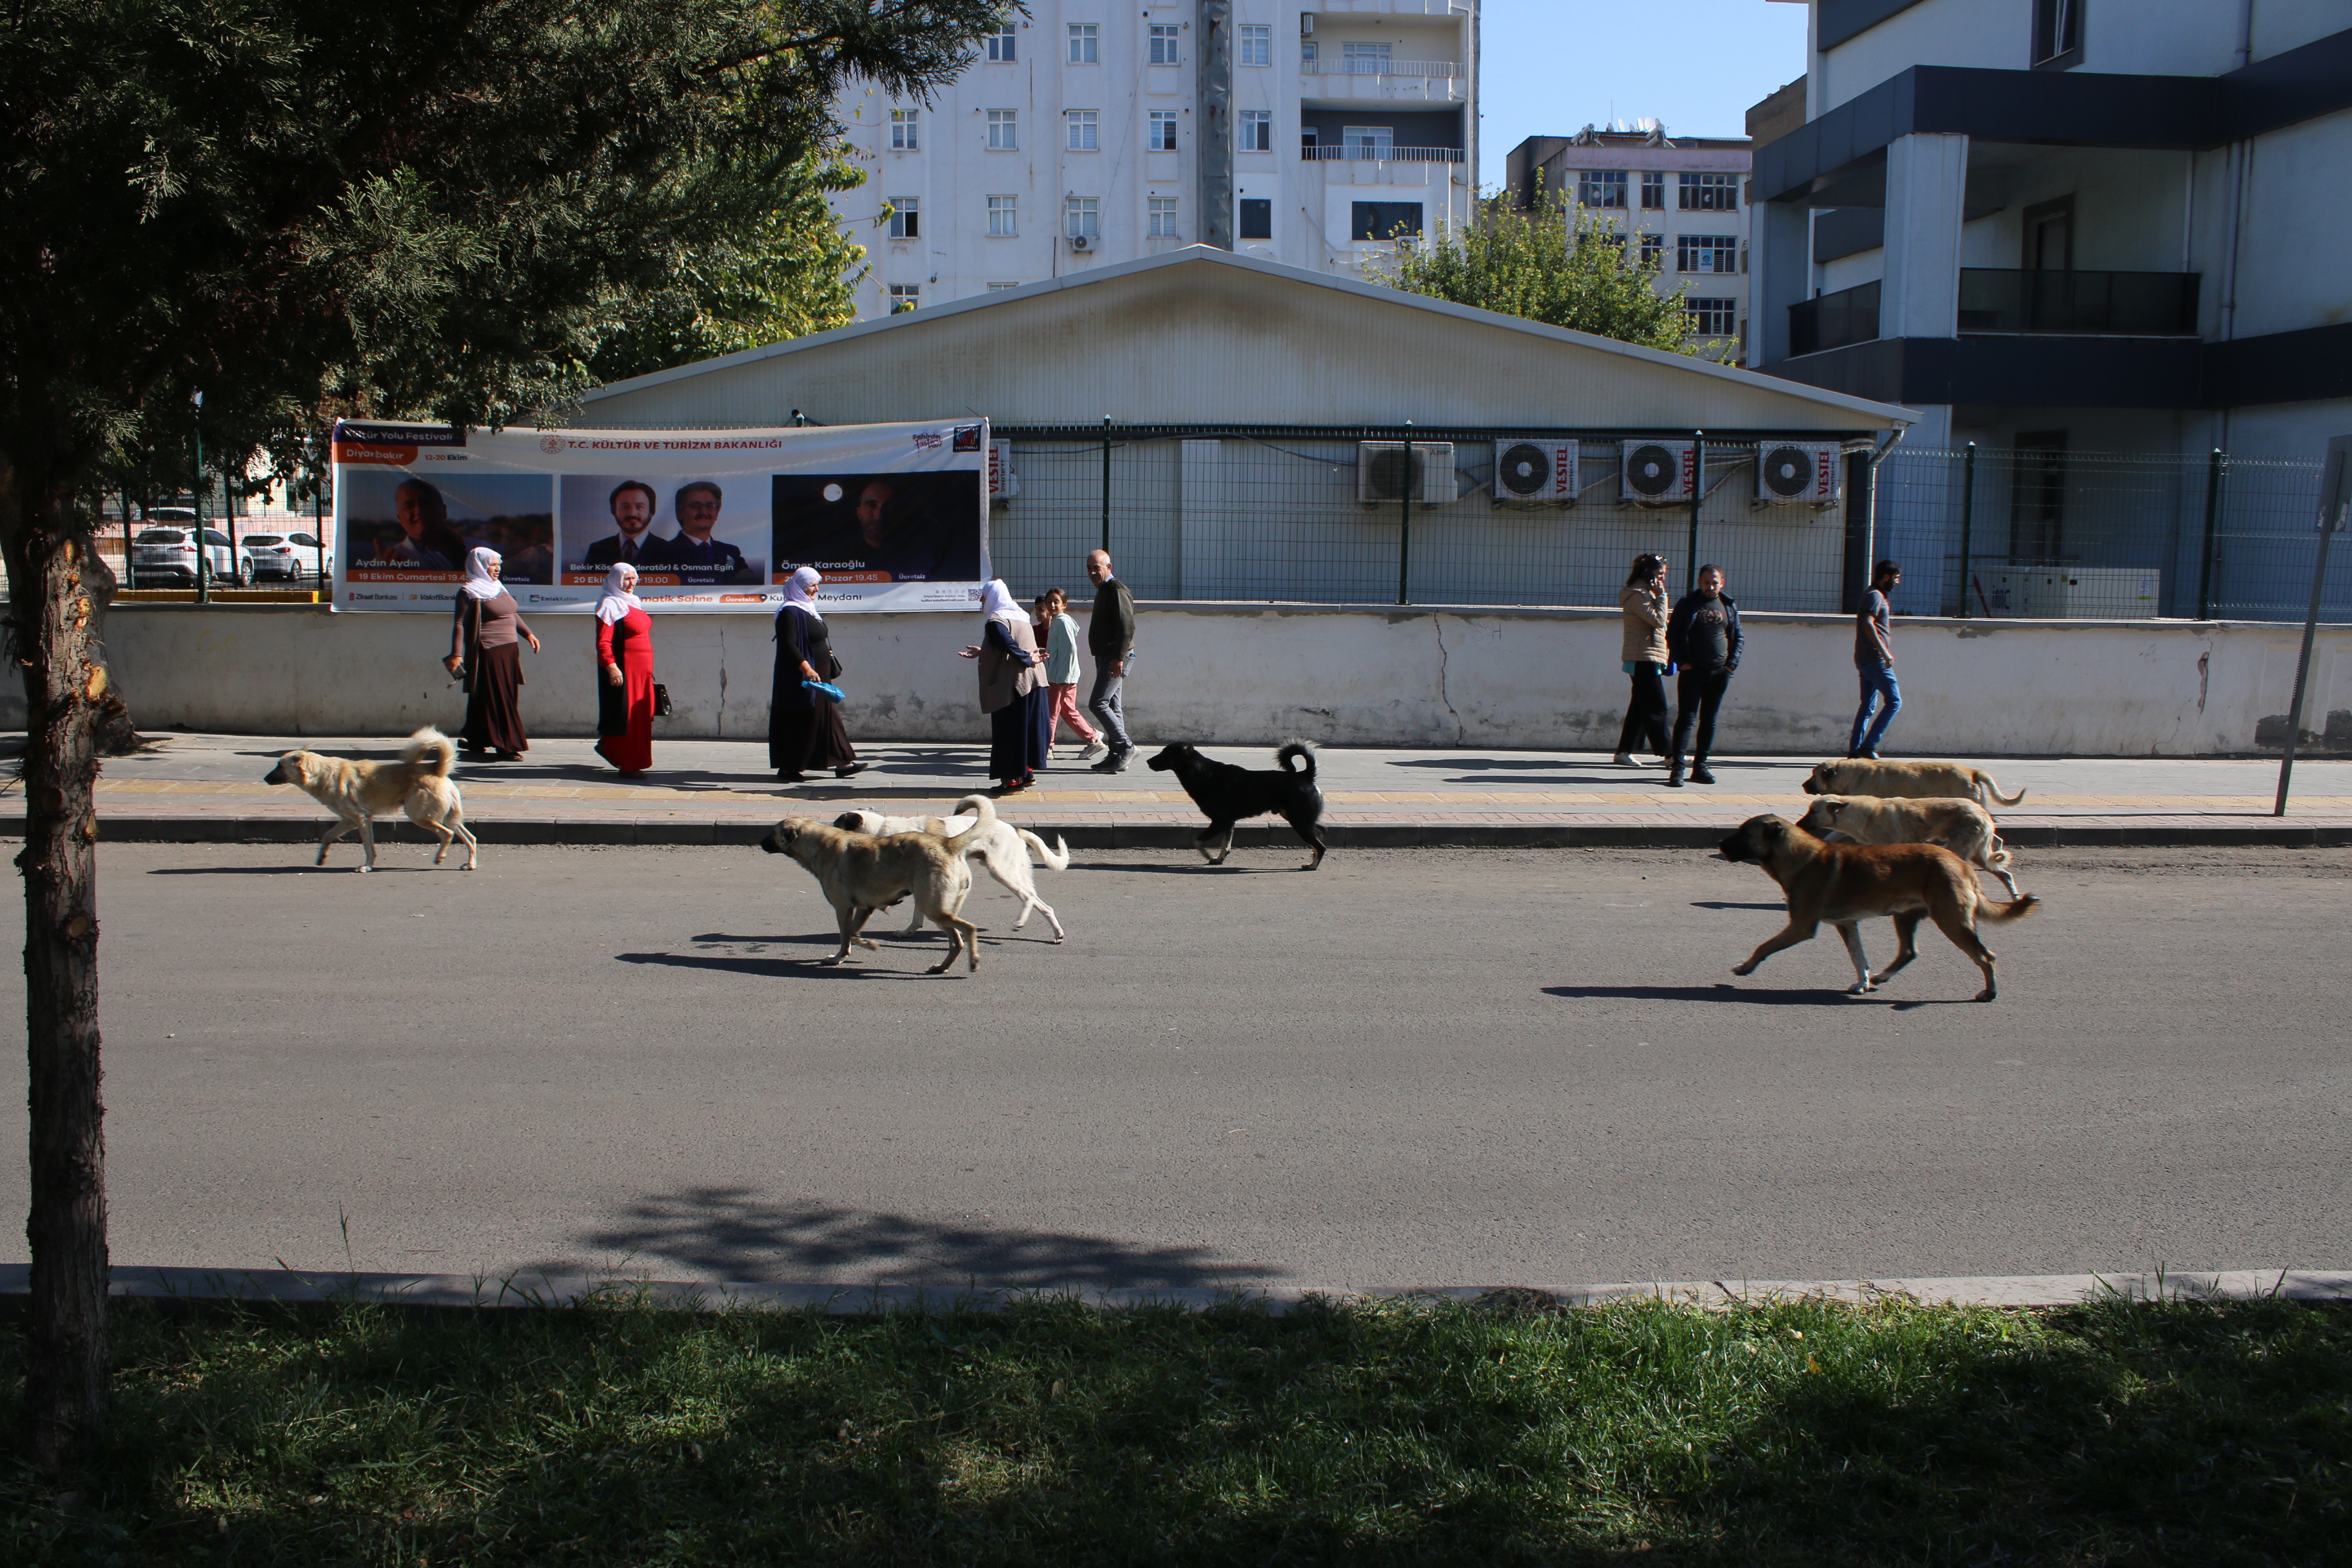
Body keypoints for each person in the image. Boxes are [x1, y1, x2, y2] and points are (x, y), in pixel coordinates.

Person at [769, 565, 865, 783]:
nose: (816, 589)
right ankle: (789, 768)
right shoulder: (789, 612)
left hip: (819, 673)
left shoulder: (808, 608)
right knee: (805, 719)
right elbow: (788, 645)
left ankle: (844, 763)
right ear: (801, 587)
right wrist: (807, 668)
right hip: (803, 677)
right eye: (813, 585)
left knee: (827, 716)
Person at [444, 545, 541, 760]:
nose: (497, 569)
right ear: (479, 565)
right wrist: (456, 654)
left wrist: (528, 634)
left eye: (499, 565)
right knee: (500, 696)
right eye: (492, 565)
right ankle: (507, 745)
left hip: (509, 649)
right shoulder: (469, 592)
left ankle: (476, 738)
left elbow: (511, 613)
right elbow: (460, 623)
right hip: (489, 650)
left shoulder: (497, 587)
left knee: (490, 696)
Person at [959, 578, 1048, 794]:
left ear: (993, 597)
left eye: (984, 596)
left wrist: (1026, 659)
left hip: (1012, 687)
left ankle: (1012, 781)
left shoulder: (996, 620)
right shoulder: (1021, 616)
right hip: (1034, 683)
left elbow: (1007, 642)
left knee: (1009, 731)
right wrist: (983, 651)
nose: (982, 600)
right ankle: (1026, 774)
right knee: (1025, 730)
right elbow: (1007, 644)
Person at [1664, 564, 1742, 788]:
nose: (1711, 586)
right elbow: (1674, 634)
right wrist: (1683, 663)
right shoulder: (1688, 604)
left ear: (1722, 583)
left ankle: (1701, 767)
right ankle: (1678, 767)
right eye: (1707, 582)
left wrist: (1731, 665)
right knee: (1686, 719)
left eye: (1715, 582)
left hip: (1719, 673)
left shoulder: (1728, 605)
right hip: (1693, 672)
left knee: (1710, 720)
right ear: (1699, 582)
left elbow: (1738, 637)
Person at [592, 562, 655, 778]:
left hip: (643, 672)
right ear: (615, 580)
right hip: (626, 671)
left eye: (633, 578)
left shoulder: (633, 603)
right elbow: (603, 642)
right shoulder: (610, 604)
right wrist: (611, 667)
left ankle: (608, 745)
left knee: (641, 716)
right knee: (628, 718)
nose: (630, 583)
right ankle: (628, 763)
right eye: (625, 579)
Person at [1614, 552, 1671, 767]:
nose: (1663, 578)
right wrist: (1662, 596)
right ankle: (1670, 753)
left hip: (1648, 656)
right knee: (1658, 706)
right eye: (1660, 574)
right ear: (1648, 573)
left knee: (1639, 707)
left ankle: (1624, 751)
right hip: (1642, 657)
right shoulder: (1637, 595)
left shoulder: (1646, 593)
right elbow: (1658, 620)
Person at [1037, 587, 1105, 761]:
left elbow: (1070, 649)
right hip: (1063, 675)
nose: (1052, 605)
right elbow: (1062, 649)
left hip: (1060, 677)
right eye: (1050, 602)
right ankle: (1093, 738)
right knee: (1067, 710)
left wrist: (1063, 677)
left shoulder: (1061, 621)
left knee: (1052, 712)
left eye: (1056, 602)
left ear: (1064, 605)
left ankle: (1047, 747)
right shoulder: (1059, 621)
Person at [1084, 548, 1136, 772]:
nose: (1093, 572)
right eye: (1089, 568)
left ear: (1109, 567)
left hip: (1114, 658)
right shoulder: (1104, 589)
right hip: (1107, 657)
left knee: (1098, 703)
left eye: (1097, 567)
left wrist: (1118, 657)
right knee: (1113, 705)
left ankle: (1126, 747)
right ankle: (1116, 755)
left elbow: (1127, 626)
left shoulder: (1116, 589)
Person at [1850, 559, 1903, 759]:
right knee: (1894, 702)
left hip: (1865, 658)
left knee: (1867, 705)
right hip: (1874, 659)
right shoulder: (1874, 595)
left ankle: (1855, 751)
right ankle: (1868, 746)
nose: (1898, 582)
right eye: (1896, 578)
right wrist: (1884, 651)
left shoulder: (1873, 594)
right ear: (1886, 577)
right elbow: (1867, 622)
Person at [660, 480, 759, 583]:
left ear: (717, 514)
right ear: (680, 513)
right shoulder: (663, 553)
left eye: (709, 506)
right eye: (695, 506)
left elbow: (752, 585)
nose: (704, 512)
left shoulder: (730, 552)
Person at [380, 478, 479, 570]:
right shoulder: (392, 563)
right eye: (409, 506)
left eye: (426, 503)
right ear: (400, 519)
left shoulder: (479, 549)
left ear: (444, 511)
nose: (419, 510)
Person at [583, 480, 660, 569]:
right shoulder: (596, 550)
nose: (632, 513)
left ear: (652, 511)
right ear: (614, 511)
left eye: (640, 507)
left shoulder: (669, 550)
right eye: (625, 507)